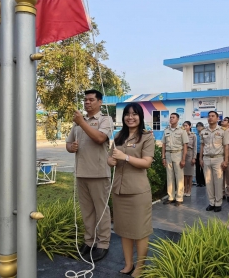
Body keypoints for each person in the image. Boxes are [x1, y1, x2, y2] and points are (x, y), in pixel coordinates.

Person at [107, 103, 155, 277]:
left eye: (134, 114)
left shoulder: (146, 137)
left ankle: (140, 267)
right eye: (127, 114)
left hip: (137, 192)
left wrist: (125, 157)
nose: (130, 117)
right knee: (124, 231)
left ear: (140, 116)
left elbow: (147, 163)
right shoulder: (119, 136)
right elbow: (111, 157)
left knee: (140, 232)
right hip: (119, 191)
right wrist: (110, 161)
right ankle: (128, 264)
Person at [66, 89, 113, 262]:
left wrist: (81, 122)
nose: (87, 103)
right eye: (85, 100)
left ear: (100, 102)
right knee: (87, 211)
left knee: (102, 210)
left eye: (91, 100)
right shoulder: (79, 120)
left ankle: (103, 243)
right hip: (81, 172)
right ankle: (89, 241)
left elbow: (100, 138)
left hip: (99, 173)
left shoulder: (105, 119)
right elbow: (69, 143)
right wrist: (71, 148)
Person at [200, 111, 229, 212]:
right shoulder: (204, 131)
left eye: (213, 116)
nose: (210, 118)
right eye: (209, 116)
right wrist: (200, 158)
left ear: (217, 118)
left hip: (218, 158)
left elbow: (226, 146)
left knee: (218, 181)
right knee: (208, 181)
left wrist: (226, 160)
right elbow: (202, 145)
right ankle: (211, 202)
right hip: (206, 158)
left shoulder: (223, 131)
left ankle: (218, 203)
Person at [161, 113, 189, 206]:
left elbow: (185, 145)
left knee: (179, 177)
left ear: (178, 119)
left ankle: (179, 198)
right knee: (169, 177)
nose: (171, 119)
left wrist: (183, 159)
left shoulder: (182, 131)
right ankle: (171, 197)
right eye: (170, 117)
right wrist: (163, 157)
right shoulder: (166, 131)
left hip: (178, 154)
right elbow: (163, 145)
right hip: (168, 154)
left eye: (173, 117)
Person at [182, 121, 197, 197]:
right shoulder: (181, 134)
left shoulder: (193, 135)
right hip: (183, 154)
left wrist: (194, 157)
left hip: (190, 154)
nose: (185, 127)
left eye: (186, 125)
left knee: (190, 174)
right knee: (184, 174)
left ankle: (189, 189)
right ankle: (185, 189)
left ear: (190, 126)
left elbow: (195, 147)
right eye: (184, 126)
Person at [195, 122, 206, 187]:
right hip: (196, 152)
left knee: (203, 167)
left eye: (200, 126)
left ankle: (203, 181)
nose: (199, 127)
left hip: (204, 153)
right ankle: (198, 182)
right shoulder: (195, 135)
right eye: (197, 126)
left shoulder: (204, 134)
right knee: (197, 167)